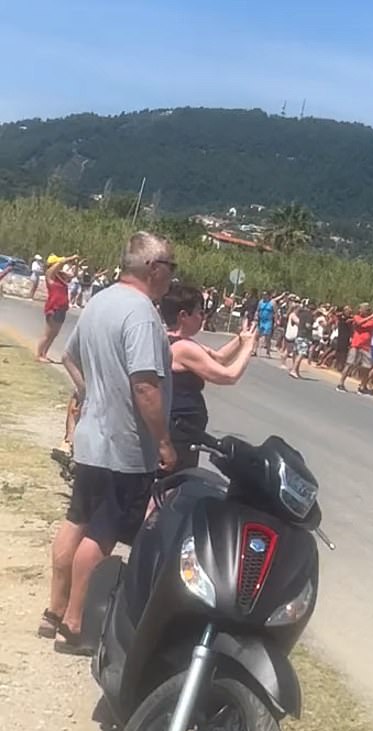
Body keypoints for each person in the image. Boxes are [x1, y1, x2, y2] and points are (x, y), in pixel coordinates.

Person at [37, 232, 177, 654]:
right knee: (103, 532)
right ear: (153, 268)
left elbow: (69, 357)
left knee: (76, 520)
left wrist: (92, 395)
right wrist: (165, 441)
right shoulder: (140, 314)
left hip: (93, 439)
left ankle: (54, 610)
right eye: (170, 266)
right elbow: (146, 388)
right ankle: (76, 624)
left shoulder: (100, 300)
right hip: (124, 447)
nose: (172, 275)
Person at [160, 284, 256, 470]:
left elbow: (219, 358)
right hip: (179, 429)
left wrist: (240, 339)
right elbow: (228, 376)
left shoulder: (178, 341)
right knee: (174, 484)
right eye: (199, 312)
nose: (202, 317)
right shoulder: (183, 348)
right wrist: (248, 348)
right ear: (183, 316)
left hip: (185, 428)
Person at [36, 253, 77, 363]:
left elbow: (73, 276)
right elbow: (61, 263)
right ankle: (39, 354)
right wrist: (70, 258)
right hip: (54, 307)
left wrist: (76, 264)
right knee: (48, 333)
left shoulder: (60, 276)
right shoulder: (50, 274)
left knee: (54, 334)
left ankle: (44, 353)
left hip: (62, 307)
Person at [336, 302, 373, 394]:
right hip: (356, 345)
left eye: (362, 309)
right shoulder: (357, 317)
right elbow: (359, 323)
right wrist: (371, 316)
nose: (359, 311)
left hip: (366, 346)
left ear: (366, 310)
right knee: (350, 364)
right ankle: (341, 384)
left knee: (367, 367)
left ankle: (362, 386)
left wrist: (372, 318)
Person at [289, 301, 314, 379]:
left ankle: (296, 371)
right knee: (301, 354)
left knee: (296, 353)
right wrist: (313, 328)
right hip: (304, 336)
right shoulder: (309, 315)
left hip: (299, 334)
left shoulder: (301, 314)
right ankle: (293, 370)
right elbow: (307, 325)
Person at [280, 298, 300, 369]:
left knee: (293, 351)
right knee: (288, 350)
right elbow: (298, 322)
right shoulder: (293, 315)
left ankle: (293, 365)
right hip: (291, 335)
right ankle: (283, 363)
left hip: (293, 335)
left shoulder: (294, 315)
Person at [256, 290, 275, 357]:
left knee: (267, 337)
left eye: (265, 295)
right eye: (263, 295)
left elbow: (275, 313)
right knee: (257, 335)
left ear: (268, 295)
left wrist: (275, 321)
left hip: (268, 321)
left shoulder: (272, 303)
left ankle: (268, 352)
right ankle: (254, 350)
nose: (263, 296)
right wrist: (256, 317)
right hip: (261, 320)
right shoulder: (261, 302)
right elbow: (257, 310)